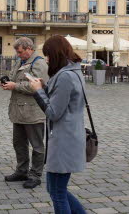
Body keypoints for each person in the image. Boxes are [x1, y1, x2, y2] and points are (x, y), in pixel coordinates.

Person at [28, 35, 86, 214]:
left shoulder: (65, 77)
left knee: (58, 192)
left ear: (56, 54)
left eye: (48, 55)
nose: (46, 59)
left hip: (64, 140)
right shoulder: (73, 71)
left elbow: (53, 112)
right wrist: (45, 88)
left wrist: (38, 92)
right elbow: (61, 101)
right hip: (68, 136)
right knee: (55, 189)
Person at [1, 37, 49, 189]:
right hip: (18, 111)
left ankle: (35, 175)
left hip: (33, 112)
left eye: (20, 52)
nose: (18, 54)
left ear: (29, 49)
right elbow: (15, 77)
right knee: (19, 143)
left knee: (37, 146)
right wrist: (7, 82)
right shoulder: (20, 62)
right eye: (17, 52)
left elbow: (37, 85)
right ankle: (21, 171)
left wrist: (15, 86)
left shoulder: (39, 63)